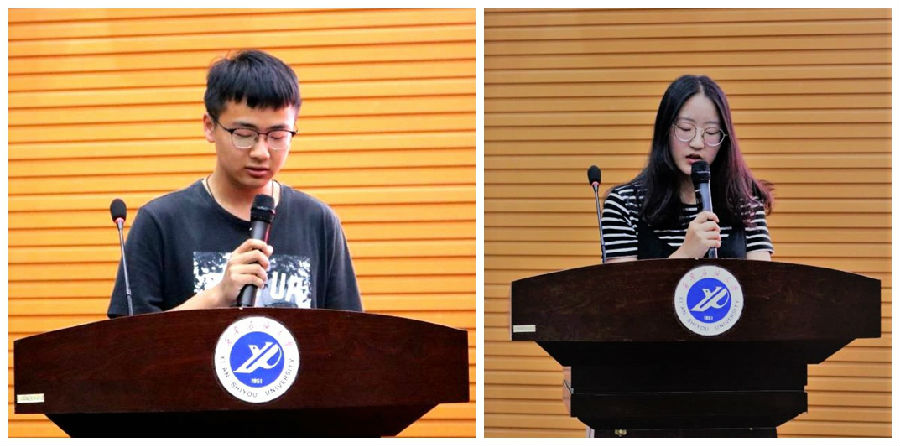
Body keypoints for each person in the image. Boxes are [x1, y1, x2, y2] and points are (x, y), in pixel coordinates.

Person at [108, 49, 362, 317]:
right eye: (244, 134)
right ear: (209, 126)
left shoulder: (318, 222)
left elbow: (350, 334)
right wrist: (217, 296)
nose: (261, 152)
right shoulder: (161, 222)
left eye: (278, 136)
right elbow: (129, 340)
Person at [601, 74, 774, 262]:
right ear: (665, 131)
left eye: (711, 132)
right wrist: (686, 254)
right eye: (685, 129)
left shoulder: (745, 203)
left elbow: (762, 279)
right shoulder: (624, 205)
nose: (697, 143)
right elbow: (621, 282)